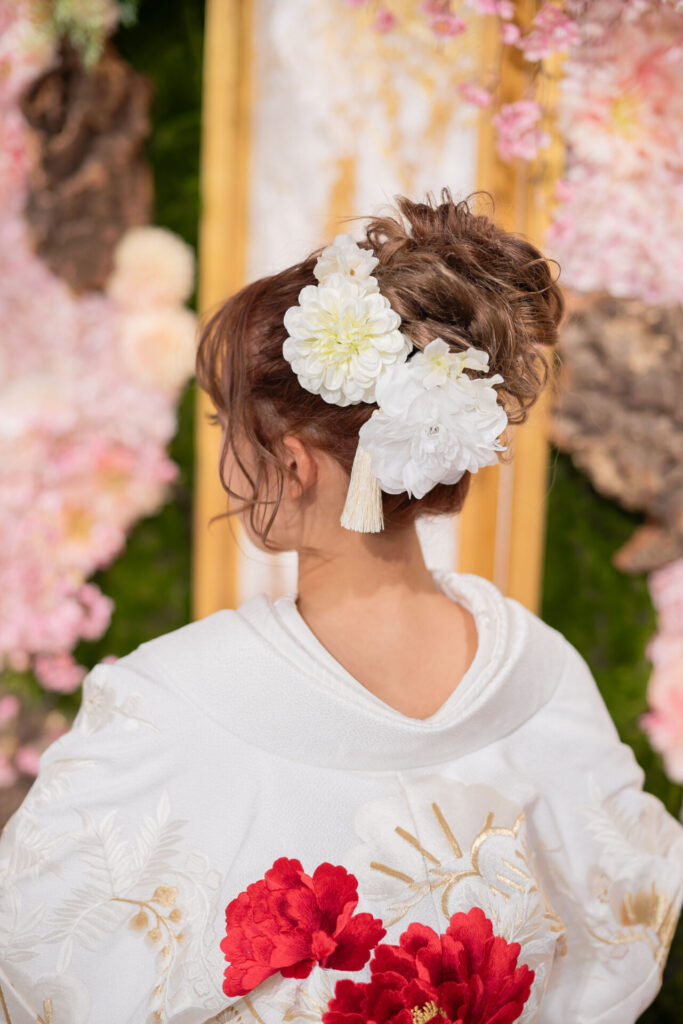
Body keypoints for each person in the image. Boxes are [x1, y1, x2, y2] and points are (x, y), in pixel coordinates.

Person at [1, 190, 682, 1024]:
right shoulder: (541, 672)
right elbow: (616, 932)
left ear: (292, 467)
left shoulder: (169, 700)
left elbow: (40, 959)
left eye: (224, 423)